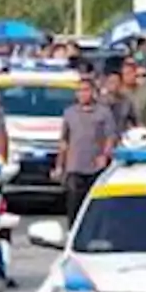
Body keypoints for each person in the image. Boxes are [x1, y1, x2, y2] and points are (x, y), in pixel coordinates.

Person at [54, 79, 116, 221]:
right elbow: (64, 141)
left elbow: (110, 137)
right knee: (74, 203)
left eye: (86, 90)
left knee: (94, 206)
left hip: (95, 166)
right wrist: (59, 165)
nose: (83, 94)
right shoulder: (69, 113)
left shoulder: (103, 113)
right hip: (74, 166)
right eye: (80, 90)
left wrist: (105, 155)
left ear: (93, 92)